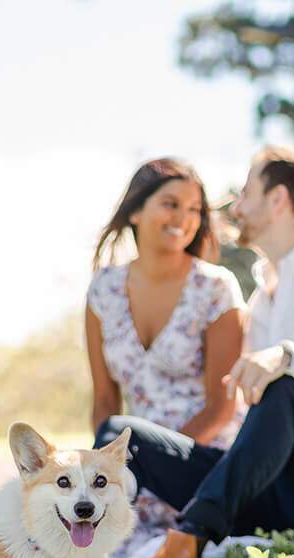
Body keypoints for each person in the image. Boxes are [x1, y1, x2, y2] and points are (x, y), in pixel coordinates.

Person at [94, 146, 294, 558]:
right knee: (122, 436)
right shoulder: (259, 301)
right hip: (271, 491)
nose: (234, 208)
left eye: (246, 194)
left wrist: (286, 357)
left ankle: (185, 543)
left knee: (284, 388)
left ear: (277, 200)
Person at [85, 158, 246, 522]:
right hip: (132, 464)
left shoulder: (215, 289)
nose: (184, 219)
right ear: (136, 212)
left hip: (202, 463)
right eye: (171, 204)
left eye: (194, 210)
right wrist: (110, 474)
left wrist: (153, 468)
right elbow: (105, 401)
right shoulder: (103, 290)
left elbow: (221, 409)